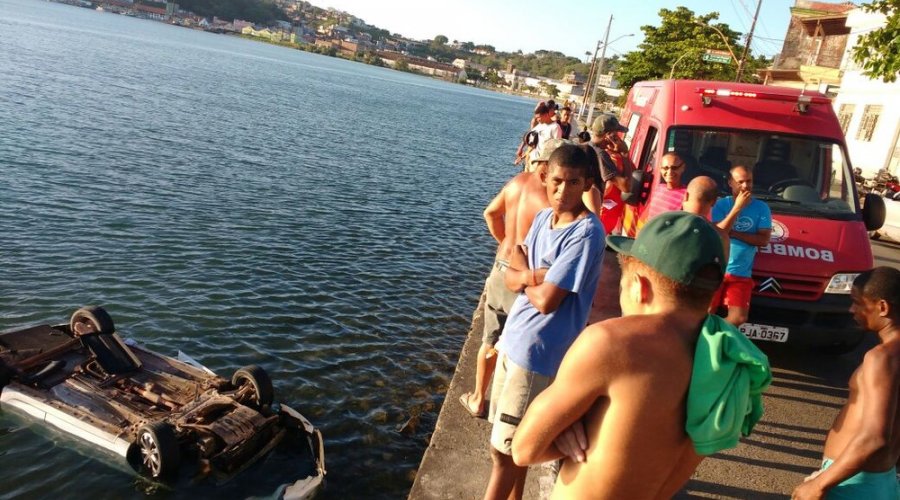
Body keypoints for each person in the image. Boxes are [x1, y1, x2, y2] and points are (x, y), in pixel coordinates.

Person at [511, 212, 771, 498]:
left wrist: (566, 427)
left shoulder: (610, 343)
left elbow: (524, 449)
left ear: (639, 287)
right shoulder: (728, 357)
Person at [484, 144, 605, 500]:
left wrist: (524, 275)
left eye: (573, 183)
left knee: (504, 453)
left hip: (537, 354)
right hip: (513, 342)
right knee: (509, 446)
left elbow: (548, 301)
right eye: (556, 182)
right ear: (543, 177)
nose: (562, 191)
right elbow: (510, 274)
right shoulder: (541, 220)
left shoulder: (586, 233)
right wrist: (532, 274)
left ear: (586, 185)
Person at [458, 139, 566, 418]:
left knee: (489, 338)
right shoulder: (550, 202)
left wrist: (505, 241)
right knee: (519, 341)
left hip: (501, 267)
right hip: (524, 277)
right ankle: (506, 405)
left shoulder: (518, 180)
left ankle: (478, 399)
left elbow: (490, 213)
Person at [792, 267, 900, 500]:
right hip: (881, 479)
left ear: (882, 307)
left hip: (856, 483)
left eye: (857, 302)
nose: (852, 309)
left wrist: (820, 483)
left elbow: (874, 438)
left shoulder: (882, 358)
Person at [711, 165, 771, 327]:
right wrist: (737, 208)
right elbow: (719, 232)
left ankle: (716, 336)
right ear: (730, 183)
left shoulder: (761, 208)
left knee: (738, 318)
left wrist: (735, 234)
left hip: (741, 274)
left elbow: (763, 240)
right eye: (740, 182)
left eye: (749, 181)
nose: (745, 186)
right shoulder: (721, 205)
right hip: (716, 270)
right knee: (706, 311)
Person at [589, 113, 633, 235]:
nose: (618, 137)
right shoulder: (600, 154)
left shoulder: (587, 148)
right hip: (594, 221)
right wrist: (624, 154)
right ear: (608, 135)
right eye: (616, 134)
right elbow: (626, 186)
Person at [641, 152, 688, 226]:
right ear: (660, 169)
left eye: (674, 168)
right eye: (665, 168)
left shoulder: (687, 195)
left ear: (683, 168)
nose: (669, 172)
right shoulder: (658, 188)